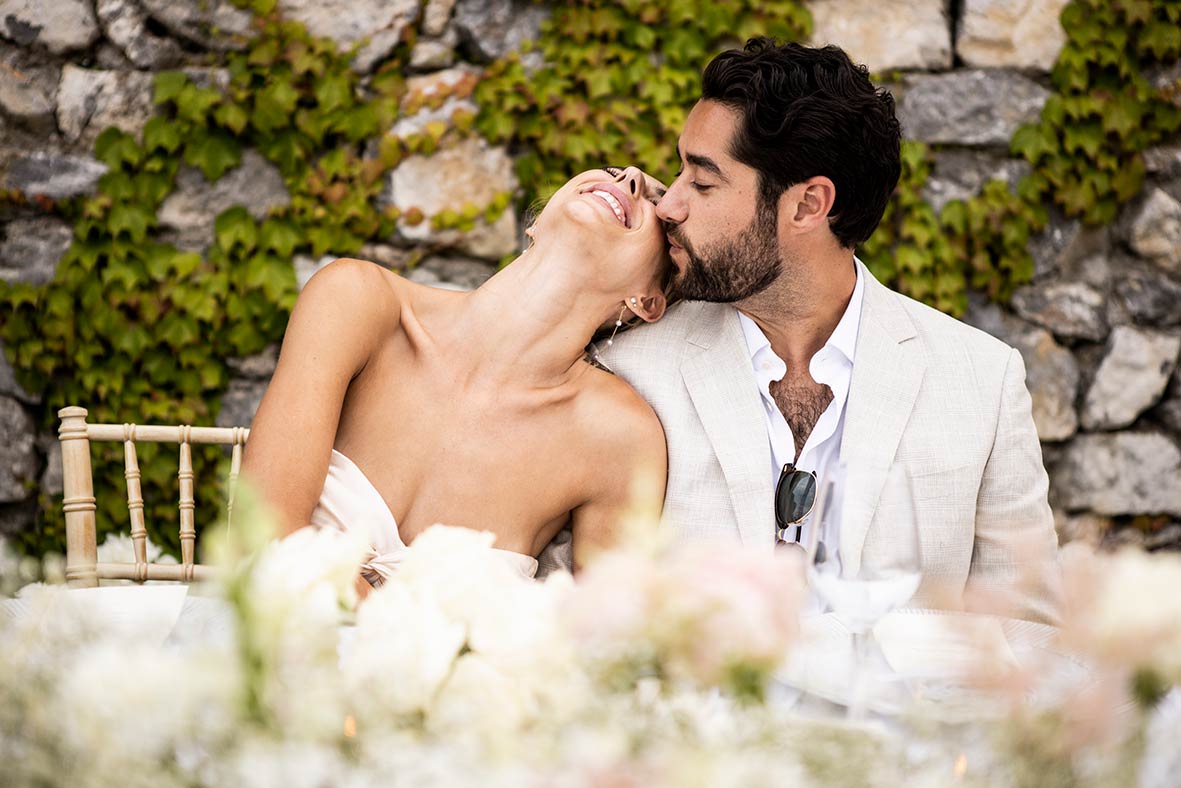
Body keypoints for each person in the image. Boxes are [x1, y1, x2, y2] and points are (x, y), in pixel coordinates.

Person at [594, 39, 1062, 624]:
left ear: (808, 205)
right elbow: (580, 611)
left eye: (704, 182)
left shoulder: (982, 380)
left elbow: (1028, 629)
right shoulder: (625, 367)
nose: (670, 203)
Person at [241, 166, 672, 599]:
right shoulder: (357, 301)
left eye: (656, 200)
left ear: (649, 301)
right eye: (614, 171)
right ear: (535, 222)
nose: (629, 178)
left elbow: (606, 635)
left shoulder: (619, 437)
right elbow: (265, 529)